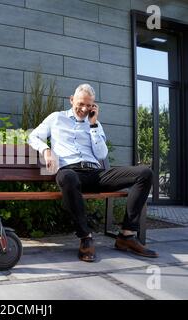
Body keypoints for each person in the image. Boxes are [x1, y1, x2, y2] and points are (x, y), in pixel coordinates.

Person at [28, 84, 158, 262]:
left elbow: (101, 154)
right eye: (80, 104)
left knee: (145, 173)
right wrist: (46, 150)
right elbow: (33, 136)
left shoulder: (94, 124)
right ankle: (85, 238)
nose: (83, 109)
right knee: (67, 176)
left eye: (89, 106)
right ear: (71, 99)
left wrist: (94, 124)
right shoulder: (56, 118)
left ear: (93, 106)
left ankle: (126, 236)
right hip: (70, 172)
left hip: (96, 173)